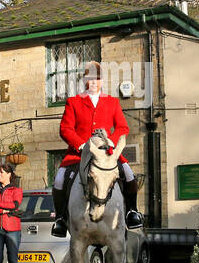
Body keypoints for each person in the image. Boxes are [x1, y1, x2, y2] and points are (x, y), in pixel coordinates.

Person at [52, 60, 143, 236]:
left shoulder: (112, 102)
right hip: (78, 154)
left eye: (98, 79)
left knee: (129, 173)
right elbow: (65, 129)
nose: (94, 82)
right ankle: (61, 219)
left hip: (107, 153)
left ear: (102, 81)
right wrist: (80, 145)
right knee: (59, 179)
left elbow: (123, 128)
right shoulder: (74, 102)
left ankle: (132, 211)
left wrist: (111, 144)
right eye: (91, 79)